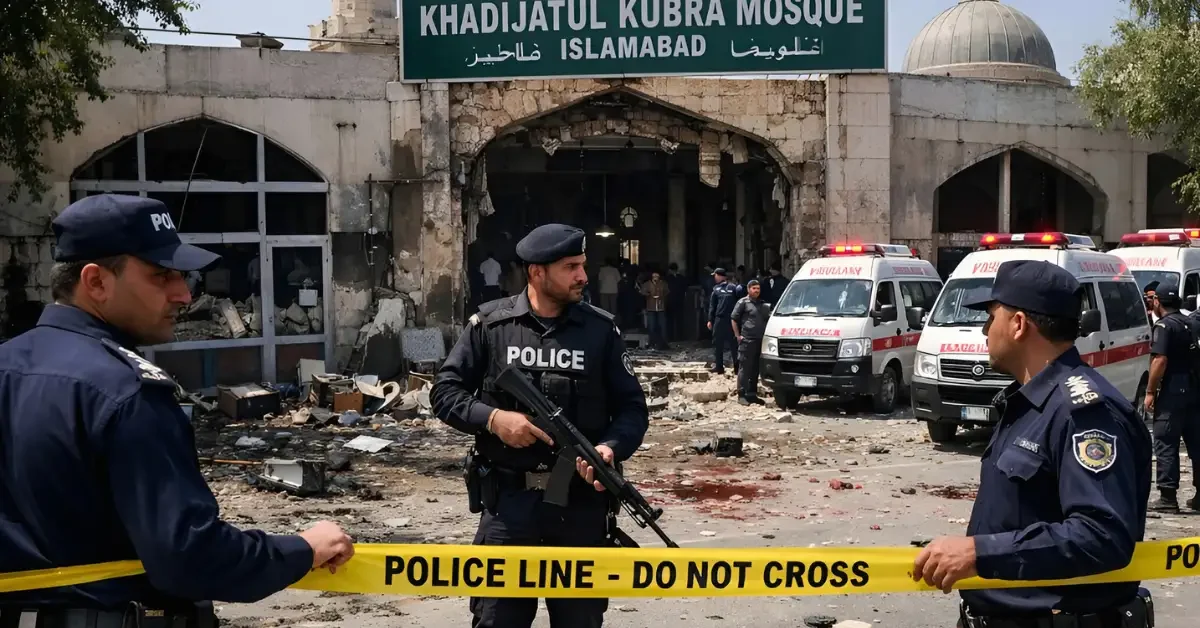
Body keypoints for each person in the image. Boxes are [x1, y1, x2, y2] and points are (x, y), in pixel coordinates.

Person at [0, 194, 355, 626]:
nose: (184, 294)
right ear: (95, 282)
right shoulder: (125, 391)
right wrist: (302, 548)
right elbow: (189, 557)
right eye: (161, 275)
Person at [430, 223, 649, 628]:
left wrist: (610, 448)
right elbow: (445, 393)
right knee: (497, 621)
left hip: (580, 509)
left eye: (583, 265)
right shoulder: (490, 326)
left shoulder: (600, 331)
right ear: (536, 272)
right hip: (509, 509)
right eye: (571, 267)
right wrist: (494, 419)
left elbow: (633, 409)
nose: (583, 275)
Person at [912, 260, 1153, 627]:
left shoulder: (1083, 414)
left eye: (991, 317)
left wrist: (979, 553)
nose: (983, 330)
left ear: (1019, 324)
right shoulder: (1030, 402)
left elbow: (1101, 535)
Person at [1144, 281, 1200, 512]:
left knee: (1166, 441)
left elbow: (1160, 360)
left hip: (1173, 391)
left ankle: (1168, 497)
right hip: (1195, 389)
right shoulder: (1191, 323)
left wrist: (1149, 392)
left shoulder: (1164, 327)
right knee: (1197, 443)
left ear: (1157, 301)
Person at [731, 280, 770, 405]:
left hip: (759, 340)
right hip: (747, 340)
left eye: (758, 288)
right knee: (744, 368)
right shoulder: (743, 303)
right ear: (748, 289)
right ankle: (741, 395)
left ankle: (752, 394)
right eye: (754, 288)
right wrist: (738, 336)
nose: (756, 290)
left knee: (755, 368)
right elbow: (734, 319)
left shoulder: (762, 304)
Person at [707, 268, 741, 375]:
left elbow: (739, 304)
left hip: (731, 320)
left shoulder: (734, 288)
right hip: (719, 319)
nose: (714, 277)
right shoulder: (716, 289)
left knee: (734, 344)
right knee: (718, 344)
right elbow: (712, 306)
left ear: (720, 276)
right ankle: (719, 367)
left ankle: (737, 367)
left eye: (715, 275)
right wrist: (710, 320)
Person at [640, 270, 670, 349]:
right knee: (651, 326)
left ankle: (663, 344)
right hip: (651, 307)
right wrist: (649, 294)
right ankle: (652, 343)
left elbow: (667, 292)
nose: (655, 277)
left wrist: (662, 296)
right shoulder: (647, 284)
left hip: (661, 307)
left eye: (657, 276)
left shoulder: (663, 283)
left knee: (662, 326)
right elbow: (642, 291)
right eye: (654, 276)